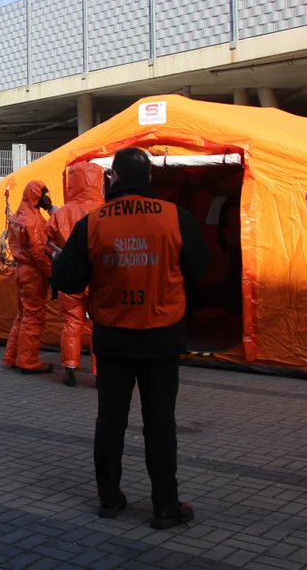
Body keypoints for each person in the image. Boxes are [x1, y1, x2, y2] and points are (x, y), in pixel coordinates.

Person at [53, 147, 210, 528]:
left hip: (113, 338)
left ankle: (109, 499)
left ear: (115, 179)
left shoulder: (94, 223)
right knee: (160, 422)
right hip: (162, 337)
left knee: (110, 420)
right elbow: (201, 269)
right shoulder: (177, 218)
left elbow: (68, 281)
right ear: (150, 179)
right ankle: (165, 507)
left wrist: (60, 260)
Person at [45, 161, 105, 388]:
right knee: (99, 326)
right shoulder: (105, 210)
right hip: (98, 278)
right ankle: (100, 373)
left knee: (71, 324)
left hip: (70, 277)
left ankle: (70, 366)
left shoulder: (61, 214)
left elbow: (46, 244)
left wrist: (58, 256)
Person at [2, 180, 55, 374]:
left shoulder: (18, 217)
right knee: (33, 318)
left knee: (22, 316)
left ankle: (12, 356)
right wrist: (51, 275)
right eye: (45, 195)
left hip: (20, 270)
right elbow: (39, 252)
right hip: (33, 273)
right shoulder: (32, 220)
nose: (47, 199)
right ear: (36, 196)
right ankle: (28, 361)